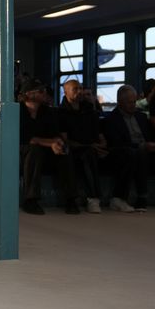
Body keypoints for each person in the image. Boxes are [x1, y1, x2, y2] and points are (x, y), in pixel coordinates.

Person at [18, 78, 79, 215]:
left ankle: (71, 199)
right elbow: (27, 138)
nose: (45, 93)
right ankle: (31, 199)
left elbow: (54, 133)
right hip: (24, 152)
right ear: (29, 94)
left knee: (64, 152)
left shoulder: (47, 112)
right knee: (34, 151)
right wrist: (50, 143)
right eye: (41, 91)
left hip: (46, 149)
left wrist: (58, 143)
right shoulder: (18, 111)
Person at [59, 80, 107, 213]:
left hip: (92, 146)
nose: (79, 92)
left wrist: (102, 144)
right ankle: (93, 198)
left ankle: (113, 198)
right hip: (74, 148)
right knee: (87, 153)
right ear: (66, 91)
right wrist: (88, 145)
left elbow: (98, 133)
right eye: (75, 89)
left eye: (80, 88)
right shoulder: (60, 112)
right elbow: (64, 139)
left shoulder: (89, 110)